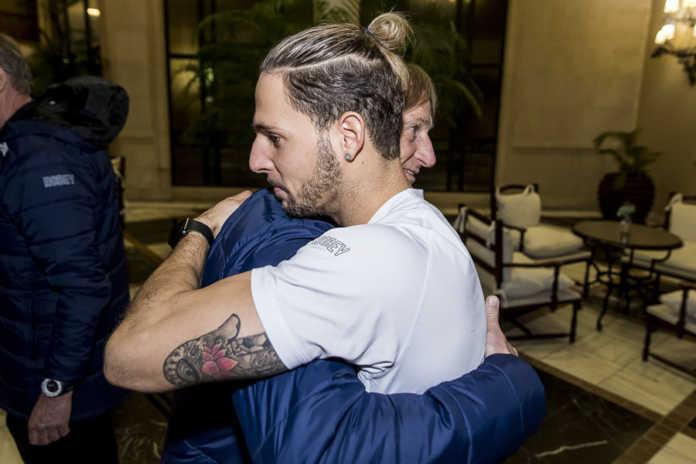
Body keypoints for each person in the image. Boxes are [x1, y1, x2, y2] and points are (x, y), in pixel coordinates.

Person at [105, 13, 544, 460]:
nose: (256, 160)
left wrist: (199, 232)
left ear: (348, 136)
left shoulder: (367, 260)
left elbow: (128, 354)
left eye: (275, 138)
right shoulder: (427, 227)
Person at [0, 34, 129, 463]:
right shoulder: (31, 144)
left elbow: (82, 287)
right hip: (42, 369)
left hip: (57, 390)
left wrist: (56, 389)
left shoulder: (39, 158)